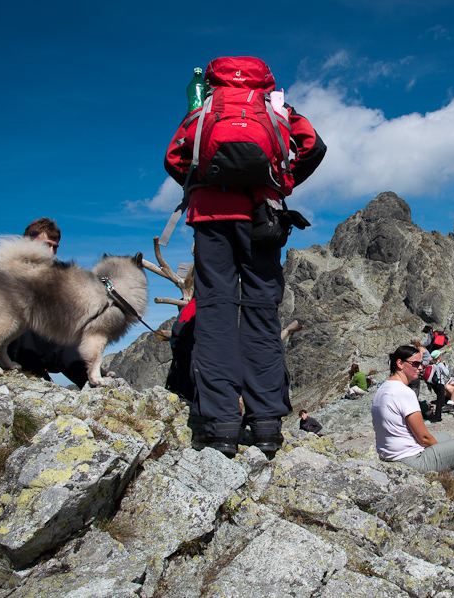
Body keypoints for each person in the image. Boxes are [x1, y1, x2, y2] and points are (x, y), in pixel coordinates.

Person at [164, 56, 326, 459]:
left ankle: (220, 427)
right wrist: (281, 183)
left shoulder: (204, 108)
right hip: (263, 218)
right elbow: (313, 146)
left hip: (210, 219)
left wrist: (204, 183)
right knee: (261, 316)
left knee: (215, 316)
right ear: (264, 79)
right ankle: (267, 425)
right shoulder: (276, 109)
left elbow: (173, 158)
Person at [0, 217, 88, 387]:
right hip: (3, 335)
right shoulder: (3, 266)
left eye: (54, 247)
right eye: (46, 245)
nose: (50, 252)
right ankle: (1, 364)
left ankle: (97, 383)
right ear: (27, 241)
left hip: (37, 341)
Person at [371, 345, 454, 482]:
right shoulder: (405, 392)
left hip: (390, 454)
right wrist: (440, 450)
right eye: (415, 364)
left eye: (421, 364)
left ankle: (448, 478)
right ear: (400, 364)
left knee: (445, 437)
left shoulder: (384, 388)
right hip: (411, 460)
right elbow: (424, 438)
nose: (421, 368)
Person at [424, 350, 450, 422]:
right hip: (440, 383)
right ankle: (437, 416)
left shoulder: (431, 364)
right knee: (440, 400)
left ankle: (436, 414)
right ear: (439, 356)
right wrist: (446, 366)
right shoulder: (440, 364)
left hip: (434, 384)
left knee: (440, 398)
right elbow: (446, 373)